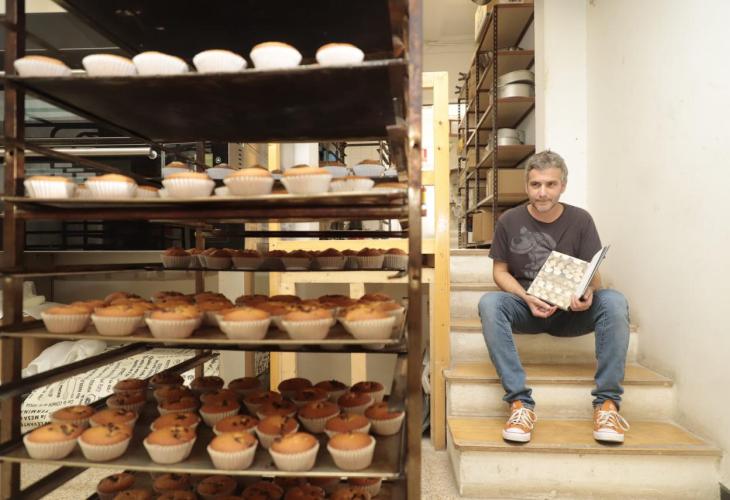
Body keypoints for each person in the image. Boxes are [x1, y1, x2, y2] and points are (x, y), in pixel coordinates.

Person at [478, 150, 630, 444]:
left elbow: (594, 275)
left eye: (551, 184)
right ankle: (520, 404)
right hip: (526, 308)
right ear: (526, 186)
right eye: (535, 184)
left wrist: (588, 292)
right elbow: (499, 272)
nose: (542, 192)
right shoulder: (509, 220)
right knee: (489, 303)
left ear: (563, 186)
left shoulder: (581, 220)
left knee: (614, 301)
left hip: (570, 312)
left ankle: (607, 405)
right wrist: (525, 297)